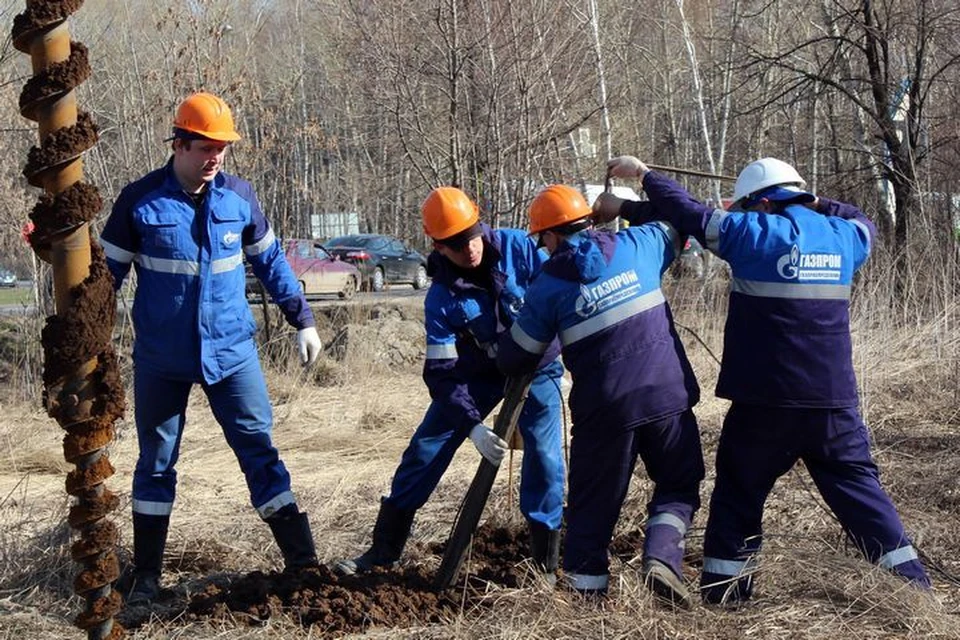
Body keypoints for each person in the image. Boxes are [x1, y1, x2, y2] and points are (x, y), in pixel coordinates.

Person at [596, 155, 932, 604]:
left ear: (762, 204)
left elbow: (691, 215)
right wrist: (811, 198)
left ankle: (727, 595)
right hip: (834, 406)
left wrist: (644, 177)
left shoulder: (753, 234)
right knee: (862, 496)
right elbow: (860, 217)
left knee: (738, 494)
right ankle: (914, 590)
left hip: (764, 405)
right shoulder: (845, 236)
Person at [100, 91, 324, 604]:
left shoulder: (238, 198)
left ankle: (304, 564)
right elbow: (102, 281)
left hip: (232, 355)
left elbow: (271, 266)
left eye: (222, 147)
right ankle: (148, 578)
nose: (215, 157)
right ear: (179, 143)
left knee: (259, 451)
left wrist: (302, 319)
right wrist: (83, 339)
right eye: (205, 147)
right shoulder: (139, 202)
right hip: (162, 360)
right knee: (156, 461)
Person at [334, 186, 566, 581]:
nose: (469, 248)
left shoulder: (519, 249)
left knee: (545, 456)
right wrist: (472, 425)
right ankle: (383, 550)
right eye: (456, 244)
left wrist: (541, 353)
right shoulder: (440, 298)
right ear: (439, 247)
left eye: (471, 235)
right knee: (425, 449)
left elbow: (560, 300)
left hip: (536, 369)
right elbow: (442, 373)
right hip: (479, 376)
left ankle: (545, 560)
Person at [497, 185, 704, 607]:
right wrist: (626, 207)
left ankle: (586, 605)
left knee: (592, 508)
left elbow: (516, 355)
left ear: (551, 237)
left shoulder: (547, 285)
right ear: (591, 221)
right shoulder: (639, 243)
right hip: (667, 393)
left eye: (543, 240)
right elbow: (682, 221)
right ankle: (662, 555)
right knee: (679, 483)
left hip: (605, 409)